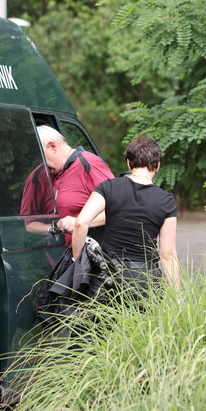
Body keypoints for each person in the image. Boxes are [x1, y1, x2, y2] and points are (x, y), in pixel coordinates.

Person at [71, 136, 180, 292]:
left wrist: (78, 262)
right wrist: (178, 297)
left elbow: (81, 223)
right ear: (157, 166)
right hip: (146, 281)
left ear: (128, 163)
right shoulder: (166, 200)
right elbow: (167, 255)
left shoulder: (108, 187)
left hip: (109, 278)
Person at [20, 125, 114, 247]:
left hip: (91, 255)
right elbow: (29, 224)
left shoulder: (90, 164)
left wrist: (80, 222)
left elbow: (118, 209)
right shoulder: (38, 176)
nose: (41, 164)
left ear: (52, 146)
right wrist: (52, 228)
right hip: (57, 259)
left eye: (42, 158)